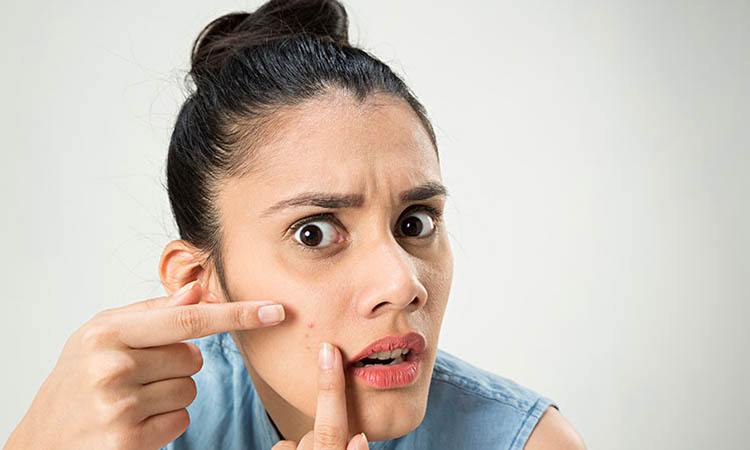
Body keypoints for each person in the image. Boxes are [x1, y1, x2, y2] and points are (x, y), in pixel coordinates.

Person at [3, 1, 586, 449]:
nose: (403, 283)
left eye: (414, 222)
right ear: (198, 280)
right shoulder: (127, 436)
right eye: (315, 233)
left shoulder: (528, 444)